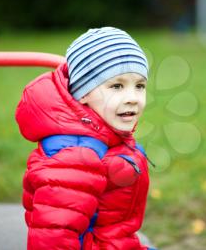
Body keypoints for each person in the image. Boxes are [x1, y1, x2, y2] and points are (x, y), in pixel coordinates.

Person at [15, 27, 156, 250]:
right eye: (116, 86)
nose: (132, 98)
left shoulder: (106, 135)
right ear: (83, 93)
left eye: (139, 86)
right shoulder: (77, 155)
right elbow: (54, 238)